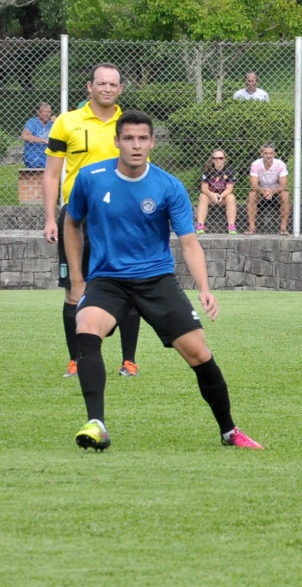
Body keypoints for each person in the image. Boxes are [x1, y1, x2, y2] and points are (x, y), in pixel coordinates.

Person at [63, 110, 262, 451]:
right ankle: (96, 423)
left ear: (152, 142)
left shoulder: (168, 185)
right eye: (128, 138)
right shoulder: (90, 178)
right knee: (86, 326)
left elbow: (188, 241)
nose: (135, 145)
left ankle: (229, 431)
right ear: (117, 142)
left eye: (143, 139)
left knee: (199, 353)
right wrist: (78, 281)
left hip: (156, 280)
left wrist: (204, 288)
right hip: (108, 280)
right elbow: (71, 222)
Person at [43, 63, 142, 380]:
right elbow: (51, 173)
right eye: (102, 83)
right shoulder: (67, 122)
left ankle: (129, 361)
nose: (107, 89)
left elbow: (141, 174)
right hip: (77, 218)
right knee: (75, 288)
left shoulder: (130, 125)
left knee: (128, 287)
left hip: (121, 219)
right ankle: (77, 361)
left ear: (120, 89)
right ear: (89, 86)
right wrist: (49, 218)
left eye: (113, 84)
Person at [246, 144, 290, 235]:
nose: (269, 155)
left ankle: (283, 228)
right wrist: (263, 191)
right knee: (251, 195)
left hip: (276, 191)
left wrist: (272, 191)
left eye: (271, 153)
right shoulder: (256, 164)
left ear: (274, 154)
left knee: (285, 195)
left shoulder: (280, 164)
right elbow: (254, 185)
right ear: (261, 154)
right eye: (266, 153)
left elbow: (284, 185)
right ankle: (251, 227)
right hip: (260, 190)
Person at [195, 149, 237, 234]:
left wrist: (221, 196)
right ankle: (200, 225)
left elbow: (229, 189)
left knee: (231, 197)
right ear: (212, 159)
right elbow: (204, 188)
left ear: (225, 159)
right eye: (215, 158)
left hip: (224, 197)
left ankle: (231, 226)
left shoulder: (230, 170)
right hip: (210, 197)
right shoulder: (207, 170)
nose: (218, 160)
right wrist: (212, 195)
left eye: (221, 158)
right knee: (203, 196)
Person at [21, 101, 53, 168]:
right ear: (38, 112)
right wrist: (43, 140)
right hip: (33, 159)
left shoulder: (52, 123)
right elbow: (24, 136)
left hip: (49, 157)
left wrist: (57, 122)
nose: (47, 114)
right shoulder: (32, 122)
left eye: (49, 112)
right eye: (44, 111)